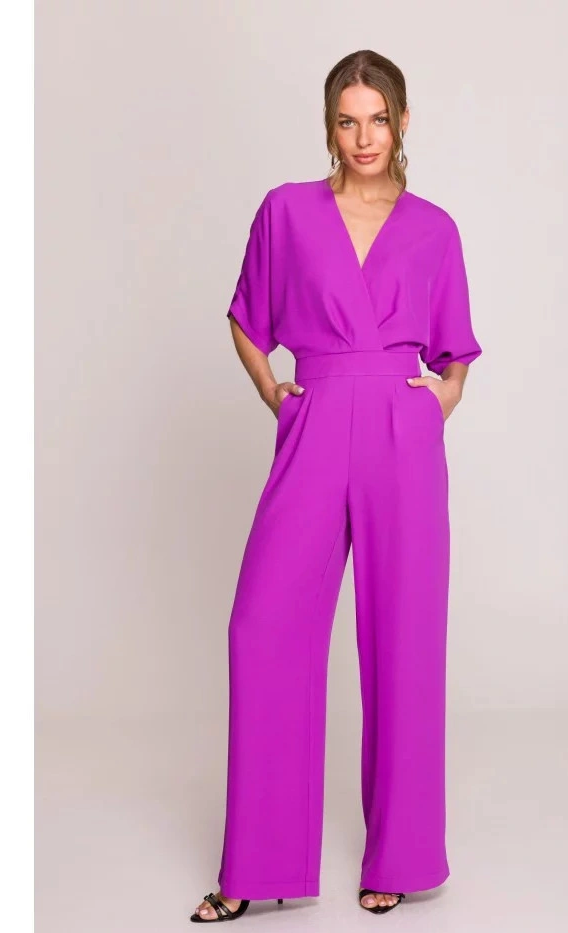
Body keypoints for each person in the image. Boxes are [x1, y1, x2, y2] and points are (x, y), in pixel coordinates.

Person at [191, 49, 482, 923]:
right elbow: (247, 318)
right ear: (329, 126)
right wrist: (275, 395)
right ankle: (256, 867)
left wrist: (433, 407)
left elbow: (456, 353)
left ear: (402, 122)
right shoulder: (286, 212)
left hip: (400, 434)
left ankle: (399, 856)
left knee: (404, 642)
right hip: (315, 422)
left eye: (378, 118)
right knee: (262, 627)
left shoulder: (434, 229)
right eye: (348, 120)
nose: (364, 137)